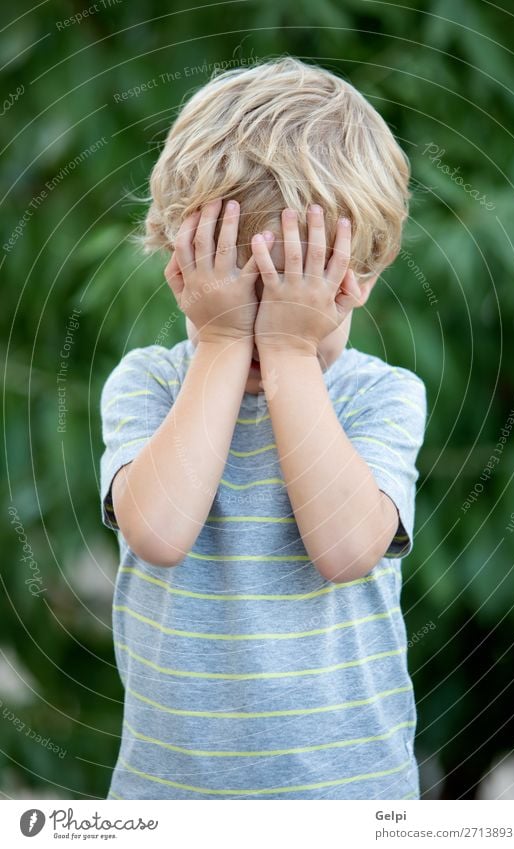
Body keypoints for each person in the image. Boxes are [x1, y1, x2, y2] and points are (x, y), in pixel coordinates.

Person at [99, 56, 427, 799]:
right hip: (169, 802)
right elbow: (157, 532)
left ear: (361, 277)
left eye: (293, 293)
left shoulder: (378, 397)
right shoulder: (148, 383)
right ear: (179, 269)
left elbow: (346, 549)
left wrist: (288, 351)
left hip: (346, 801)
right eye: (234, 291)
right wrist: (217, 345)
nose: (257, 322)